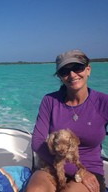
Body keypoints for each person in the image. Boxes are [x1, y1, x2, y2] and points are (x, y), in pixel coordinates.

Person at [25, 50, 108, 192]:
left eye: (77, 68)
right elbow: (37, 141)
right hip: (52, 164)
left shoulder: (103, 102)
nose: (72, 75)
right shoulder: (50, 101)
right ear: (60, 77)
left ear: (88, 70)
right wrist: (68, 167)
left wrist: (81, 171)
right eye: (65, 71)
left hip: (88, 170)